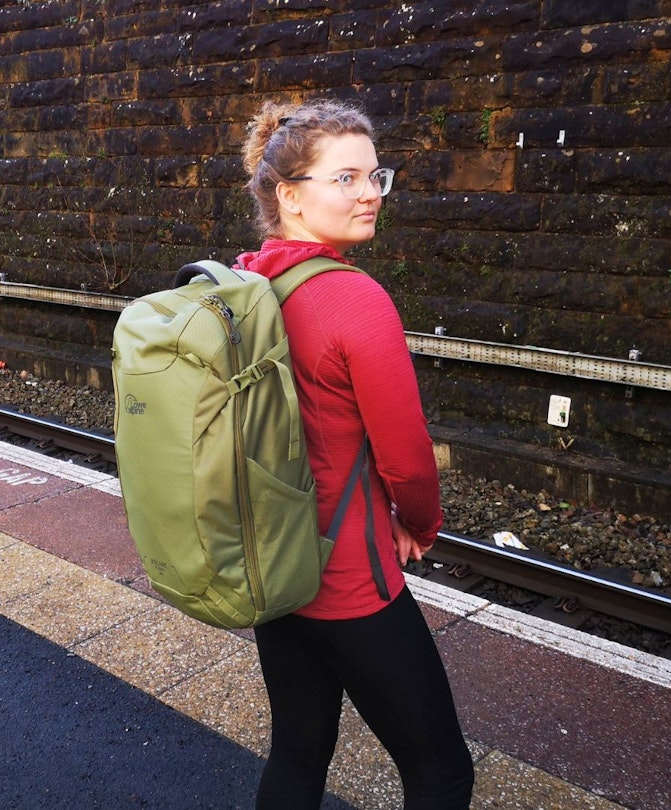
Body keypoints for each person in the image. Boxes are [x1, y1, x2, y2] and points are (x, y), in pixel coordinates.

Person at [235, 98, 475, 809]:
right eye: (346, 179)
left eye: (376, 176)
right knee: (442, 771)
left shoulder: (249, 282)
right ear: (290, 196)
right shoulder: (355, 300)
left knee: (299, 754)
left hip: (274, 564)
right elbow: (407, 461)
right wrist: (418, 525)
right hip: (349, 578)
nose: (370, 192)